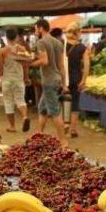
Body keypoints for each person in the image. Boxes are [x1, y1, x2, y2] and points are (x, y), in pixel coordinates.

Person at [30, 18, 68, 146]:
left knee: (55, 112)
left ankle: (63, 140)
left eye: (36, 28)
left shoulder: (41, 42)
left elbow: (44, 61)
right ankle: (38, 135)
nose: (35, 31)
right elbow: (61, 65)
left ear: (41, 28)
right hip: (56, 79)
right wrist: (64, 84)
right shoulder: (58, 43)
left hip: (49, 81)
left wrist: (31, 64)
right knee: (42, 109)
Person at [0, 28, 30, 133]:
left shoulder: (2, 51)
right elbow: (26, 65)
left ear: (6, 38)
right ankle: (24, 117)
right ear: (17, 37)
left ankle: (12, 126)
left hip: (7, 80)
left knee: (8, 102)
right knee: (20, 100)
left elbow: (0, 68)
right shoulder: (23, 49)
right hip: (19, 79)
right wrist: (26, 78)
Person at [64, 22, 89, 138]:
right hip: (76, 78)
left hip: (64, 79)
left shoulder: (62, 45)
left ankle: (64, 124)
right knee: (75, 103)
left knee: (63, 102)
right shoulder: (82, 47)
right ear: (78, 32)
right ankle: (73, 129)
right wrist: (83, 80)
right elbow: (87, 65)